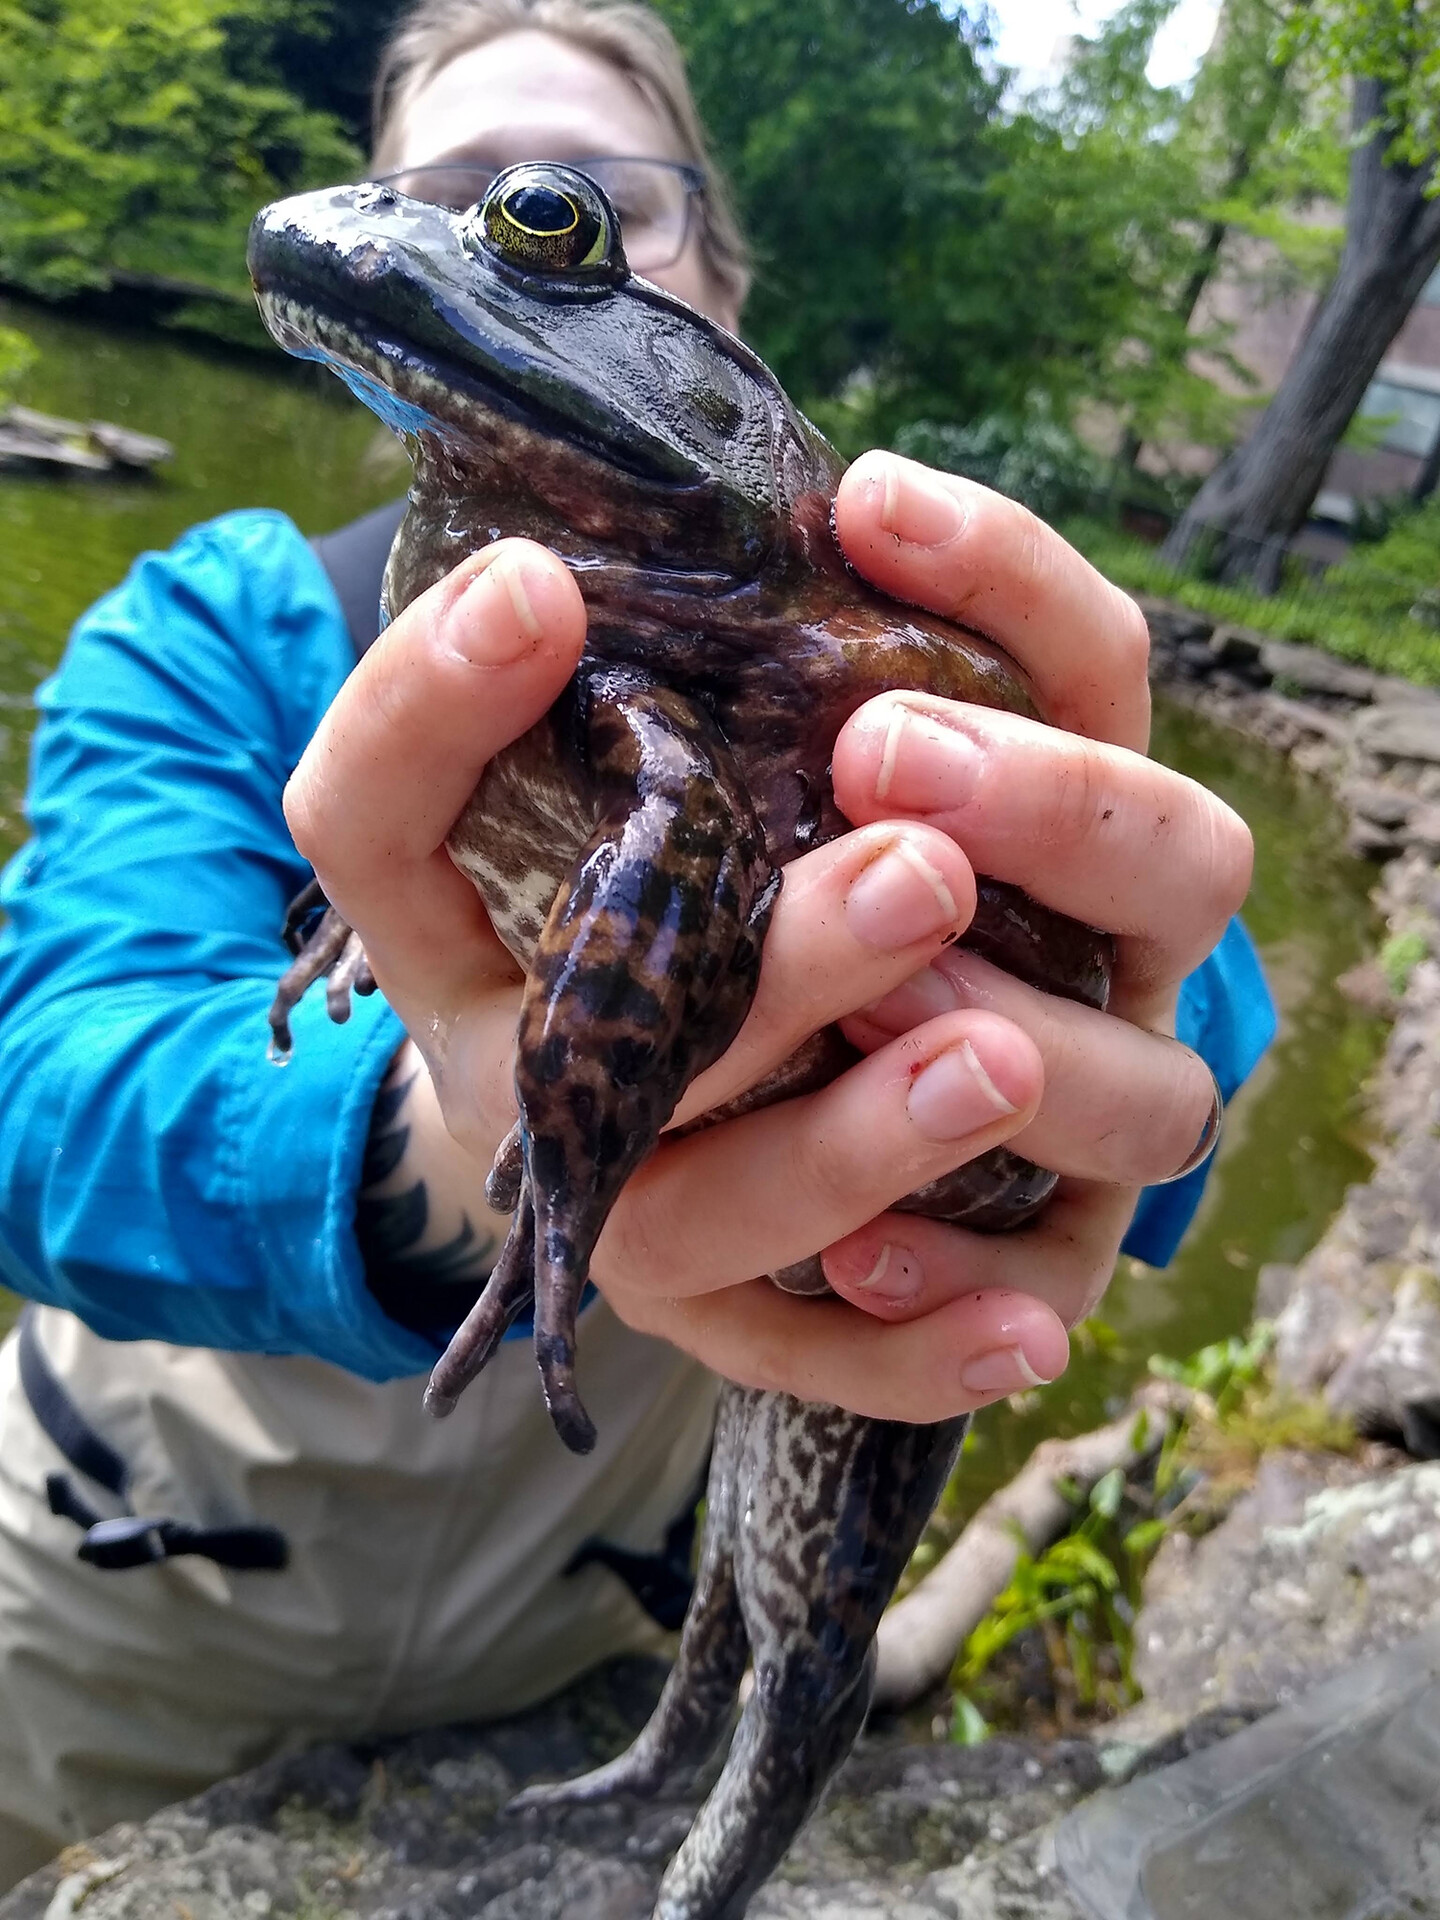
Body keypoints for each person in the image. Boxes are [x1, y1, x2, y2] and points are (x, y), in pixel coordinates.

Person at [0, 0, 1272, 1891]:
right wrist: (455, 1149)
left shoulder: (865, 626)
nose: (455, 248)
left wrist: (1114, 1056)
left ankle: (723, 1785)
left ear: (715, 296)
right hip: (122, 1606)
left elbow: (1183, 1123)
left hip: (581, 1619)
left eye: (563, 220)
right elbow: (41, 1115)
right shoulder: (216, 631)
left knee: (800, 1614)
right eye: (430, 197)